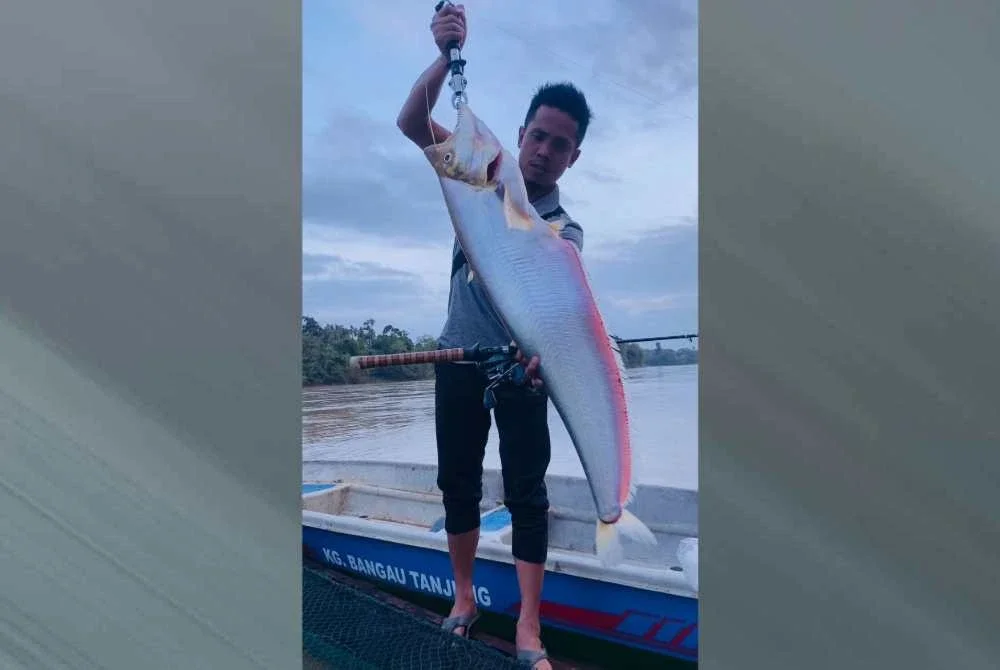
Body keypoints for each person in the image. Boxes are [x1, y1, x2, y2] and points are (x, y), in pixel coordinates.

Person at [396, 5, 591, 669]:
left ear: (574, 156)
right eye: (537, 136)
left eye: (559, 144)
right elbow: (410, 123)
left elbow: (559, 320)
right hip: (456, 357)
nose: (543, 150)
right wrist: (446, 56)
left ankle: (530, 627)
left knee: (527, 494)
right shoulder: (479, 173)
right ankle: (462, 598)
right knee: (457, 483)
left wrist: (546, 365)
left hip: (516, 369)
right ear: (521, 134)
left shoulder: (566, 231)